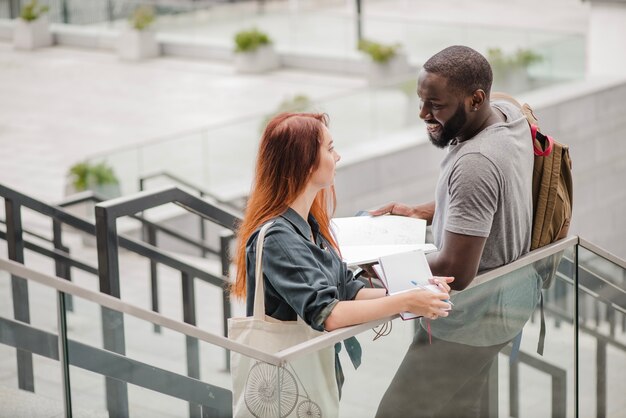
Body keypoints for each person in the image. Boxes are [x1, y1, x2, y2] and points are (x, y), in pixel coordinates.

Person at [231, 112, 453, 397]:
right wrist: (408, 300)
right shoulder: (279, 238)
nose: (338, 157)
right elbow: (329, 314)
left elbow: (349, 290)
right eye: (330, 148)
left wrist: (420, 288)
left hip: (306, 377)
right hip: (286, 387)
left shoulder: (310, 226)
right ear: (305, 162)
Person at [372, 45, 538, 417]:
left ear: (476, 99)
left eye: (436, 104)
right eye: (421, 100)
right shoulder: (509, 116)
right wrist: (422, 212)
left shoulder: (475, 162)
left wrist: (378, 266)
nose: (423, 113)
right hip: (506, 306)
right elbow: (487, 202)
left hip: (471, 322)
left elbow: (457, 271)